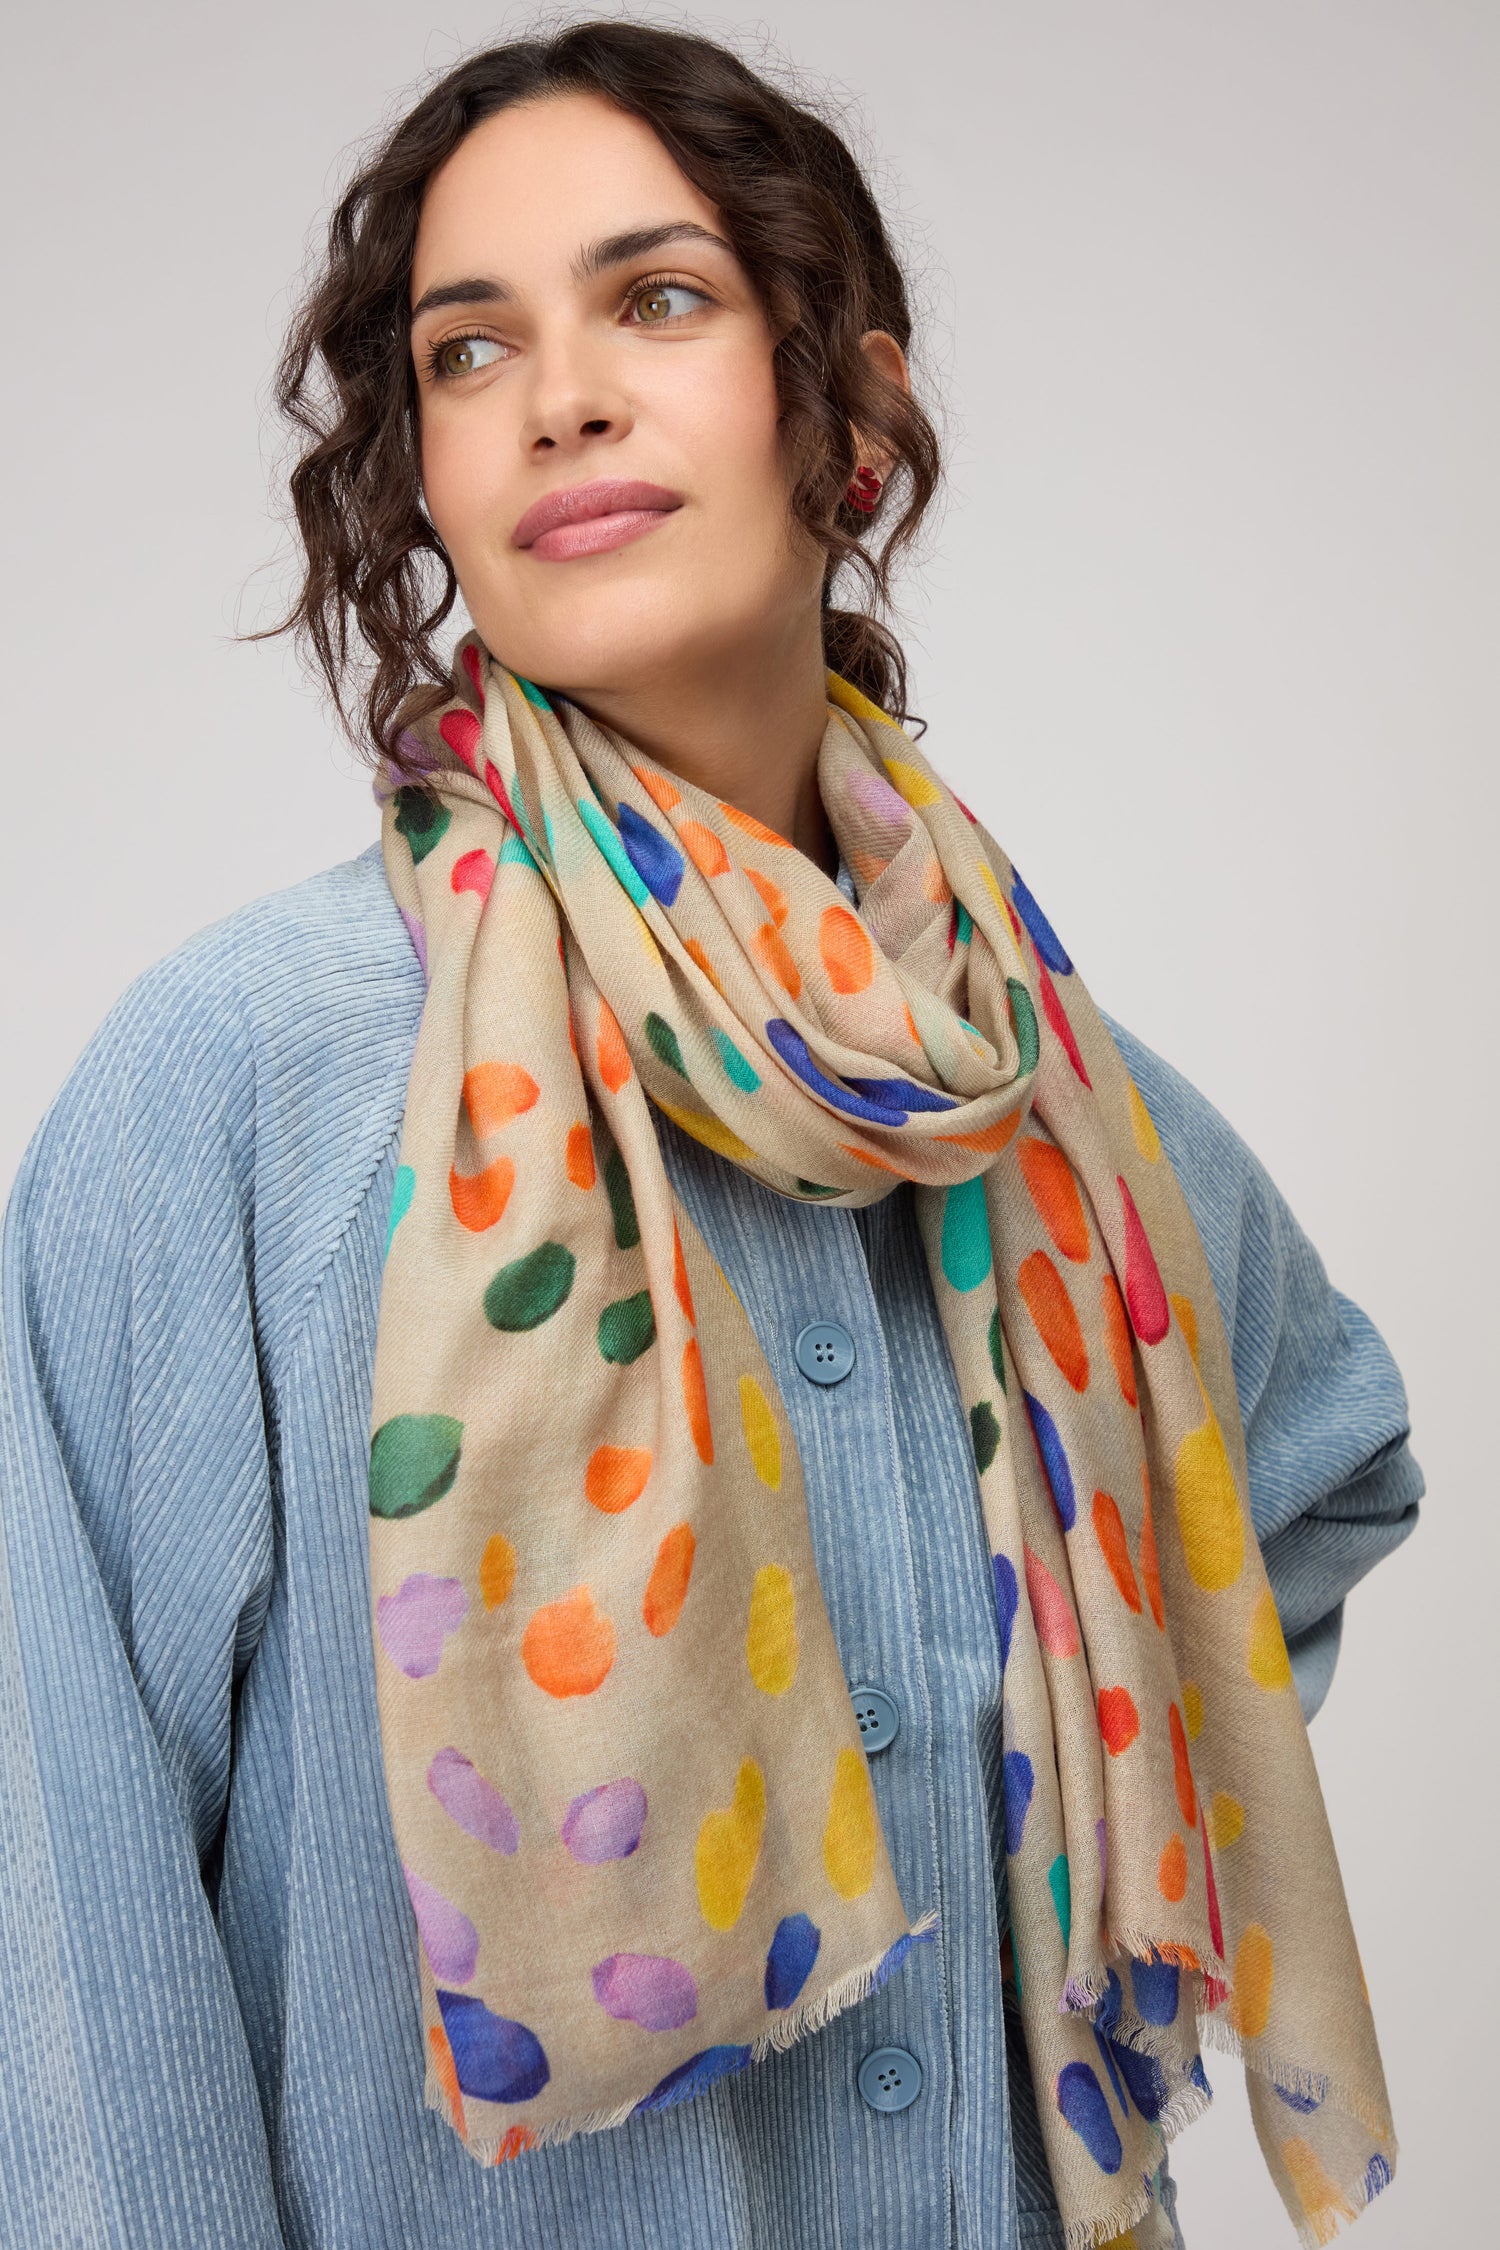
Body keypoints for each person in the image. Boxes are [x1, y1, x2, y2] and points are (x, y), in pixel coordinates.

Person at [0, 23, 1420, 2250]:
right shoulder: (247, 1078)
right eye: (471, 350)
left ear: (847, 412)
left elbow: (1312, 1477)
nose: (558, 392)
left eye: (654, 301)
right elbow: (52, 1895)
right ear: (430, 474)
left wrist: (1075, 1709)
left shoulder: (1055, 1100)